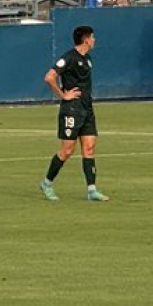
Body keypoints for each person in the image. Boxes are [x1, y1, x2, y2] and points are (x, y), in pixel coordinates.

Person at [40, 25, 109, 202]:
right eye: (92, 37)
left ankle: (91, 190)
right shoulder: (69, 57)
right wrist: (63, 95)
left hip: (87, 109)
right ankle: (47, 183)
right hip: (72, 110)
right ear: (86, 39)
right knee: (67, 150)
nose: (94, 40)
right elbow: (49, 77)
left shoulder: (88, 59)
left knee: (89, 148)